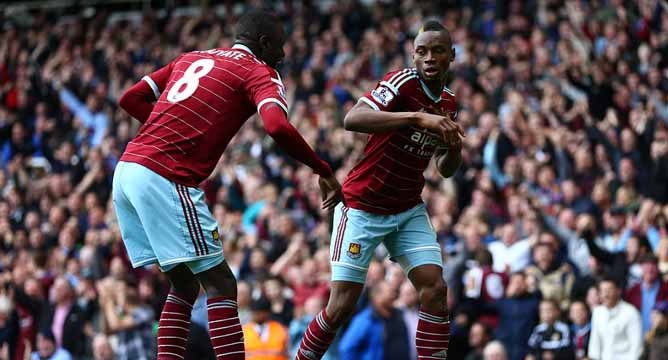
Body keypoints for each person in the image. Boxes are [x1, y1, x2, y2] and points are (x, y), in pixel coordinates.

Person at [114, 8, 342, 360]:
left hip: (128, 169)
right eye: (279, 47)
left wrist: (176, 127)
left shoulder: (191, 57)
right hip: (164, 174)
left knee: (184, 284)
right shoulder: (258, 71)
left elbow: (130, 99)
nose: (282, 56)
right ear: (264, 43)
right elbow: (277, 127)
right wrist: (322, 168)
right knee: (221, 283)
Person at [295, 19, 463, 360]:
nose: (429, 57)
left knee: (435, 289)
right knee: (341, 305)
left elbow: (444, 169)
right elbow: (353, 119)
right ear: (414, 57)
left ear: (451, 56)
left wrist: (454, 144)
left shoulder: (448, 101)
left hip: (407, 209)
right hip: (362, 206)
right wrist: (417, 118)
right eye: (422, 51)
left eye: (438, 51)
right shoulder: (401, 82)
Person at [338, 282, 410, 360]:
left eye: (394, 292)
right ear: (377, 297)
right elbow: (347, 349)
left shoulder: (399, 316)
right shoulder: (365, 320)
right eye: (390, 292)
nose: (394, 296)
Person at [588, 277, 642, 360]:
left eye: (609, 290)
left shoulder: (631, 312)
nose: (605, 295)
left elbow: (637, 346)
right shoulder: (597, 312)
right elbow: (595, 343)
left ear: (618, 291)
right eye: (602, 291)